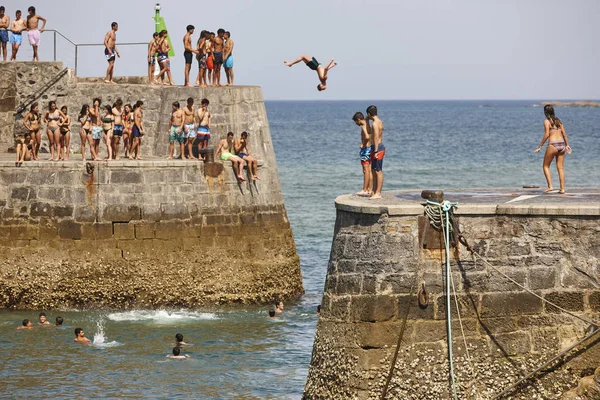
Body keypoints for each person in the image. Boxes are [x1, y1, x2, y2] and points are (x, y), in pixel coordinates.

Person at [534, 104, 572, 194]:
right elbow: (564, 134)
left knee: (545, 166)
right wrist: (567, 145)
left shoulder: (546, 121)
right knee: (560, 168)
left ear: (545, 112)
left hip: (553, 145)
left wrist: (540, 145)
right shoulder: (559, 121)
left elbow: (547, 134)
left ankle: (550, 186)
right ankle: (562, 189)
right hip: (562, 145)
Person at [366, 105, 385, 199]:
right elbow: (370, 132)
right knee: (373, 170)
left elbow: (376, 137)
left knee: (378, 171)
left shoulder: (375, 123)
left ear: (369, 114)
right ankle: (374, 191)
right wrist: (366, 121)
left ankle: (378, 193)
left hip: (378, 148)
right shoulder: (379, 122)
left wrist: (376, 151)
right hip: (375, 147)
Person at [352, 112, 372, 196]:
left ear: (358, 120)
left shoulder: (364, 126)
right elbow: (367, 117)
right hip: (370, 148)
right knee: (370, 170)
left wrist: (362, 144)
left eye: (356, 122)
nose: (356, 124)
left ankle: (364, 189)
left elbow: (367, 137)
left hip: (366, 149)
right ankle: (369, 189)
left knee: (365, 170)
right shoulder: (367, 123)